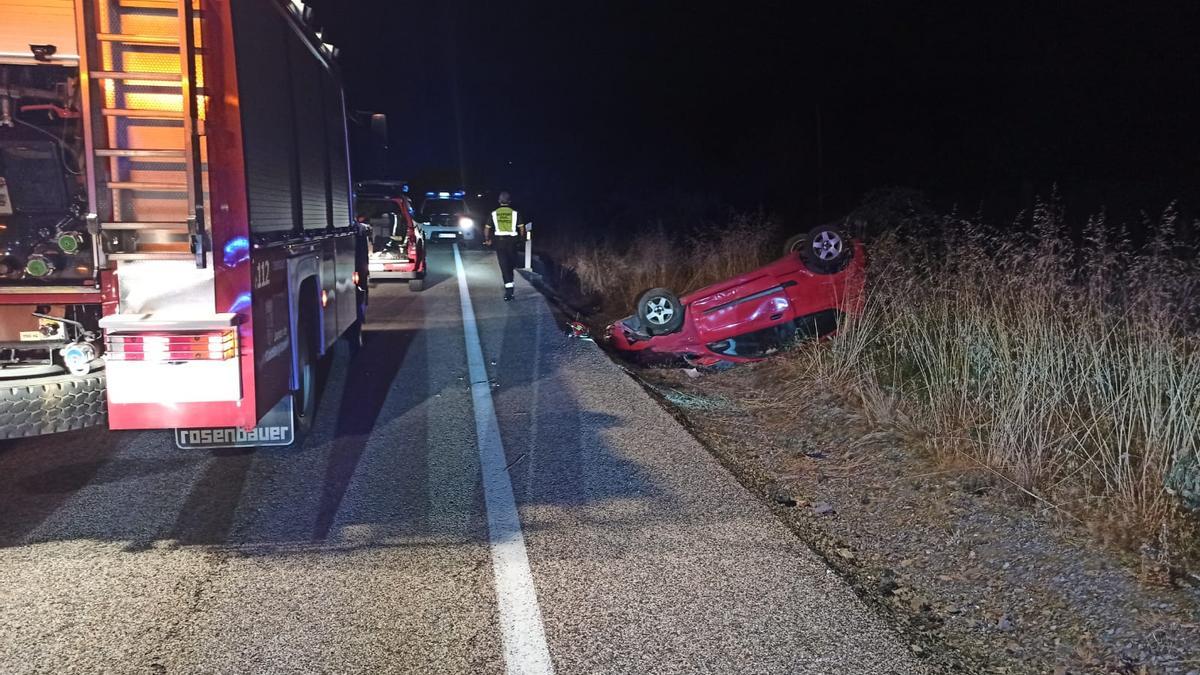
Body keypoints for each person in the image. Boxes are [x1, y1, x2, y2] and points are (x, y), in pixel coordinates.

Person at [484, 191, 525, 301]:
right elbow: (521, 228)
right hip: (513, 242)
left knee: (504, 266)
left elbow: (487, 228)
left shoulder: (494, 213)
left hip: (500, 242)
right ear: (509, 201)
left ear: (499, 201)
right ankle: (510, 287)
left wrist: (487, 239)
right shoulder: (515, 213)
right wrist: (521, 240)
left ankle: (509, 292)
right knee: (510, 265)